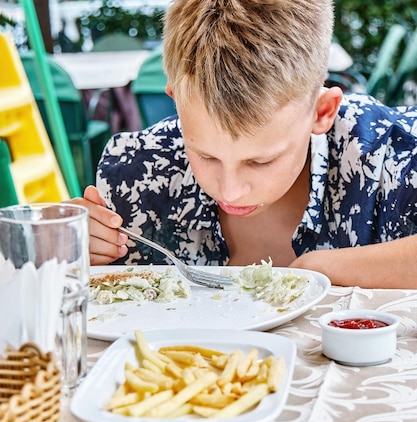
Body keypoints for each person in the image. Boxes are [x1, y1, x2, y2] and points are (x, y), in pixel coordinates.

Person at [74, 0, 417, 288]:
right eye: (205, 155)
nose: (230, 191)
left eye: (260, 161)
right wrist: (64, 245)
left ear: (322, 111)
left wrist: (322, 269)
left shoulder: (390, 154)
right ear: (176, 101)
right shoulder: (139, 174)